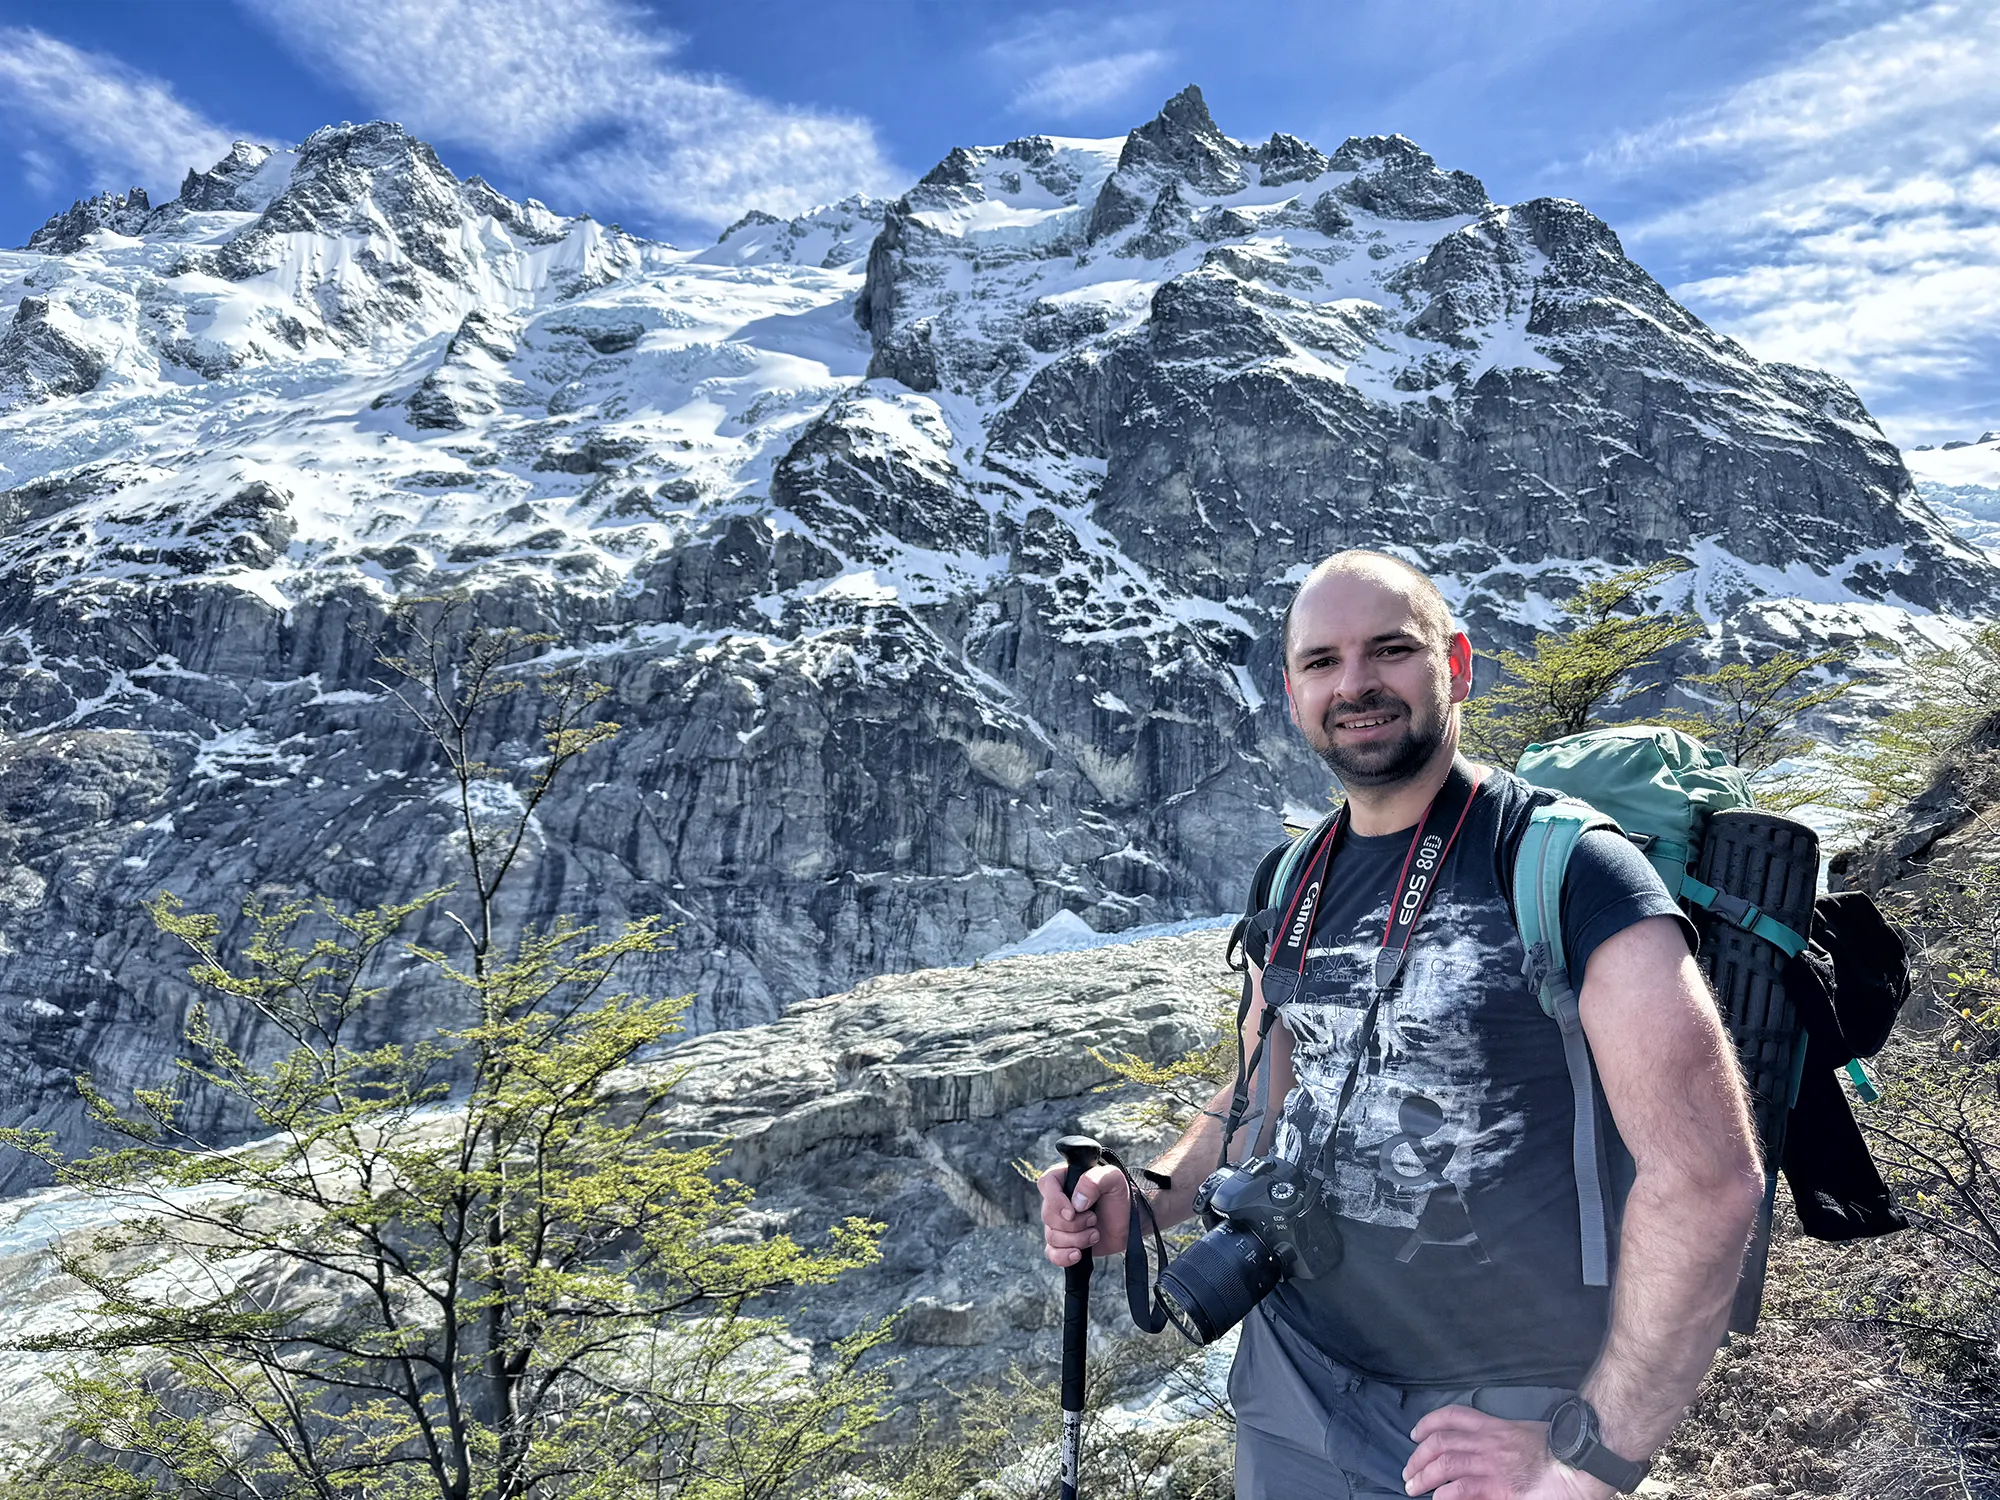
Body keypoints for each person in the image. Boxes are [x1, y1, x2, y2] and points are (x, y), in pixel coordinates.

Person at [1039, 551, 1762, 1498]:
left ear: (1455, 665)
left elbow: (1710, 1178)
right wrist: (1148, 1198)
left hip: (1492, 1415)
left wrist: (1589, 1458)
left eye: (1390, 650)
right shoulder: (1294, 878)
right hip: (1289, 1379)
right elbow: (1263, 1096)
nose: (1355, 685)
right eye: (1322, 661)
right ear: (1292, 691)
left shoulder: (1568, 868)